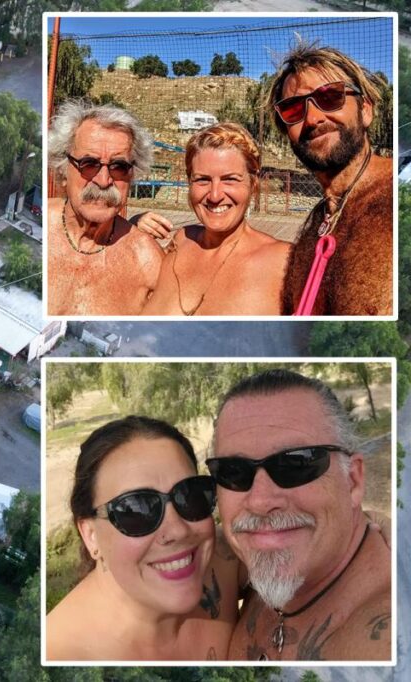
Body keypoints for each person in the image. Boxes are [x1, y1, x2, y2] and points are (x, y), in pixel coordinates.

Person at [210, 369, 391, 660]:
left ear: (353, 481)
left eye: (296, 465)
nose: (260, 502)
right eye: (233, 472)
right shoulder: (237, 567)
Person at [46, 416, 239, 661]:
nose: (178, 531)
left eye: (190, 496)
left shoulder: (227, 561)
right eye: (136, 511)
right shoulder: (59, 655)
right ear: (90, 536)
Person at [266, 44, 392, 315]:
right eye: (293, 109)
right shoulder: (315, 225)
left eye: (330, 96)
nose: (313, 119)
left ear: (365, 110)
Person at [141, 123, 291, 315]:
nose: (214, 195)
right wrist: (133, 229)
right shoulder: (179, 243)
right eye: (202, 180)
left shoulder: (283, 262)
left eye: (230, 179)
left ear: (253, 184)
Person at [46, 101, 164, 315]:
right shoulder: (39, 225)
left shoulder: (149, 263)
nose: (103, 181)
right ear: (63, 170)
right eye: (89, 164)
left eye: (119, 166)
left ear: (132, 175)